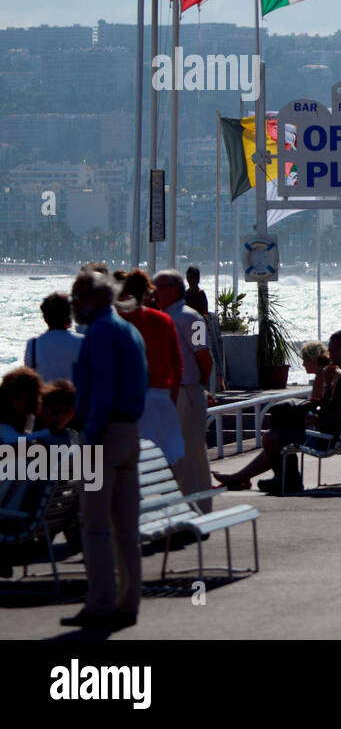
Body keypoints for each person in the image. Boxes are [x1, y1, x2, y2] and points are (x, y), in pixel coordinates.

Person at [60, 268, 147, 632]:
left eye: (77, 297)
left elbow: (102, 390)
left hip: (103, 436)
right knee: (126, 527)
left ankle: (100, 603)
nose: (73, 304)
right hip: (129, 432)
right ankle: (128, 603)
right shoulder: (129, 330)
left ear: (97, 298)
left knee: (94, 526)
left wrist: (89, 436)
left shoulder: (98, 332)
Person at [215, 331, 341, 493]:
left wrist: (319, 422)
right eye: (330, 350)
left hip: (328, 437)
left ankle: (284, 480)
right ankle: (249, 478)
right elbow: (339, 407)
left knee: (271, 437)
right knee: (282, 419)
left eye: (336, 350)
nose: (331, 354)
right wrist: (328, 385)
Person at [151, 269, 214, 511]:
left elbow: (203, 356)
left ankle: (199, 507)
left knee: (192, 453)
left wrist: (200, 384)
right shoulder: (161, 317)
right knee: (173, 455)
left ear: (174, 289)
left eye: (159, 287)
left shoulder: (191, 318)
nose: (155, 293)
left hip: (187, 390)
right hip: (168, 393)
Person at [115, 269, 186, 466]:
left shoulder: (116, 323)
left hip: (128, 403)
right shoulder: (164, 320)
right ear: (147, 292)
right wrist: (170, 398)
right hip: (161, 399)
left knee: (131, 465)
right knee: (165, 464)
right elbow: (177, 365)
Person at [23, 292, 83, 385]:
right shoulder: (83, 341)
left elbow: (29, 377)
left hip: (46, 397)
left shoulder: (33, 344)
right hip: (77, 397)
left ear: (45, 317)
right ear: (69, 315)